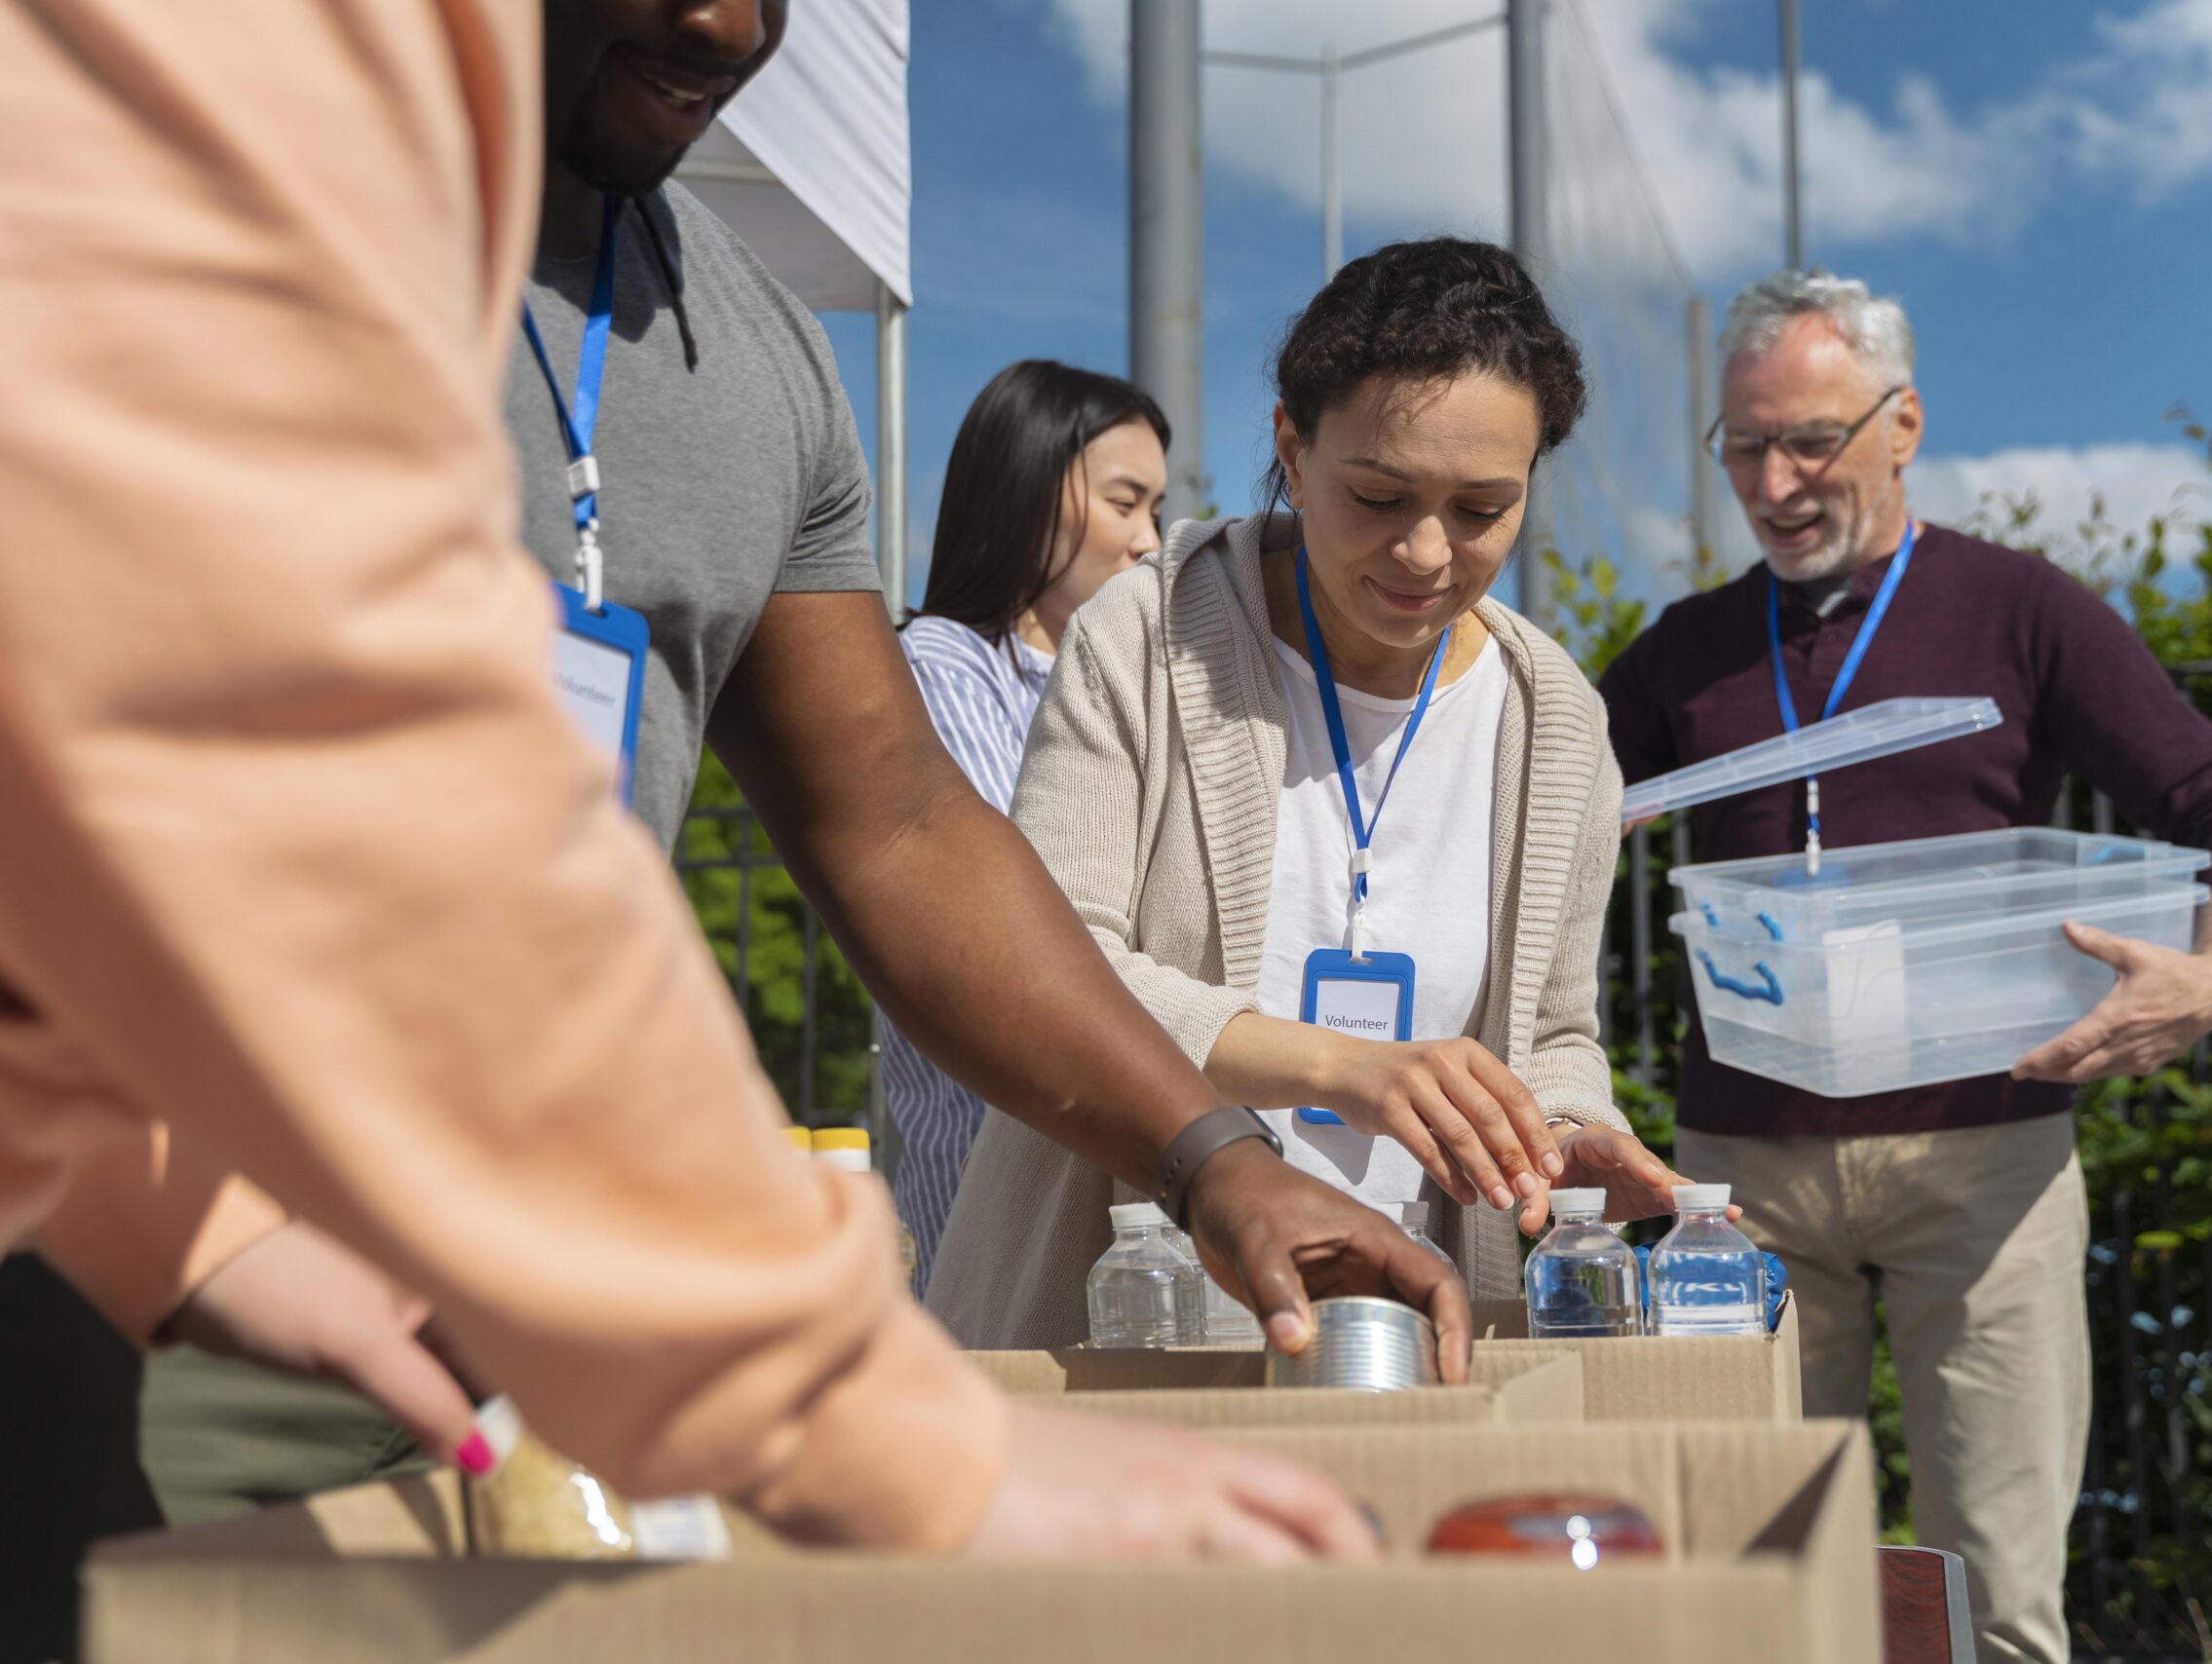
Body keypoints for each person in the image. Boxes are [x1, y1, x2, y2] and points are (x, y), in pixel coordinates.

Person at [0, 0, 1433, 1647]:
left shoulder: (758, 358)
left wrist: (1209, 1153)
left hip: (527, 1296)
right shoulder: (233, 145)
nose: (726, 20)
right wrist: (848, 1414)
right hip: (145, 1272)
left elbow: (899, 822)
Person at [1597, 271, 2212, 1664]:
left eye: (1810, 440)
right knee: (1748, 1587)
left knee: (1996, 1604)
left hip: (1985, 1170)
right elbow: (1538, 824)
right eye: (1744, 447)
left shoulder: (2024, 609)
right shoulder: (1685, 649)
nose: (1775, 481)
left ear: (1904, 421)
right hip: (1740, 1184)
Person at [931, 239, 1719, 1350]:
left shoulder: (1555, 722)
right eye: (1380, 494)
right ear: (1291, 453)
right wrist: (1338, 1065)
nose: (1428, 551)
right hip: (1126, 1305)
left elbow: (1551, 1028)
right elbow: (1046, 965)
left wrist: (1562, 1129)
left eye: (1483, 507)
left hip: (1403, 1325)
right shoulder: (1149, 637)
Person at [880, 361, 1170, 1289]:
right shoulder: (941, 665)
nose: (1150, 542)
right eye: (1125, 502)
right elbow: (1015, 892)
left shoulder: (1124, 683)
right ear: (1027, 489)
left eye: (1157, 510)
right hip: (992, 1160)